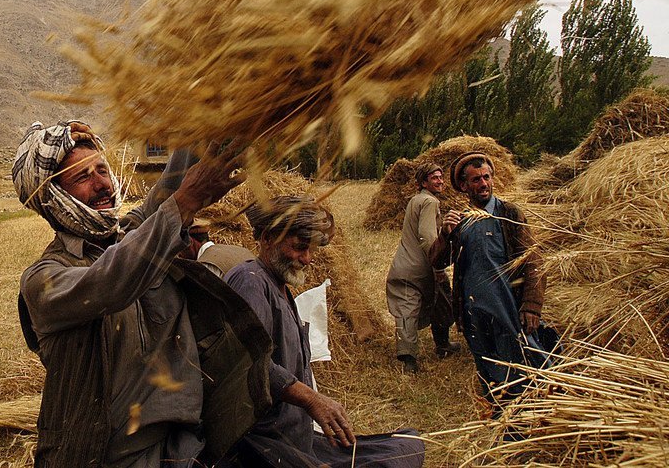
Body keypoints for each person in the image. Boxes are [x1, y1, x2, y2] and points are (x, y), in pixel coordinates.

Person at [15, 121, 267, 467]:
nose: (102, 183)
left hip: (181, 449)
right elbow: (110, 281)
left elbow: (175, 180)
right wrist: (185, 202)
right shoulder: (44, 280)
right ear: (54, 197)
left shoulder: (133, 236)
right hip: (103, 458)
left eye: (102, 169)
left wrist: (213, 107)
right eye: (83, 177)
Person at [221, 196, 426, 468]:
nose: (307, 259)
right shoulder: (250, 281)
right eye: (298, 247)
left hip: (296, 438)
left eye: (311, 250)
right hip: (265, 445)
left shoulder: (278, 284)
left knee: (407, 445)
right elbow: (247, 361)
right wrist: (311, 399)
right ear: (268, 238)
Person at [434, 152, 549, 415]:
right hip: (475, 311)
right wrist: (444, 235)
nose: (483, 184)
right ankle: (498, 413)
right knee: (485, 362)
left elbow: (534, 260)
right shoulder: (460, 220)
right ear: (464, 186)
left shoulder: (509, 214)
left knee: (519, 358)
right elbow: (438, 262)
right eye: (476, 180)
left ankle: (531, 412)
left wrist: (532, 304)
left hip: (508, 306)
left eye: (486, 177)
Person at [385, 162, 459, 374]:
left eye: (441, 176)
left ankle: (437, 347)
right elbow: (427, 237)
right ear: (423, 182)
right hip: (420, 266)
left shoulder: (415, 200)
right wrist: (437, 264)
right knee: (416, 309)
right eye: (434, 177)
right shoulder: (429, 201)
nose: (440, 181)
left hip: (404, 265)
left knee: (435, 303)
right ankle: (412, 359)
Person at [182, 218, 256, 278]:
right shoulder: (240, 250)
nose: (180, 255)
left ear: (190, 243)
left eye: (179, 248)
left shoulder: (206, 264)